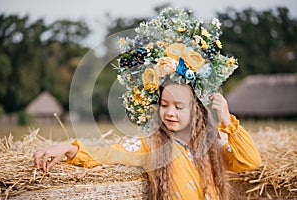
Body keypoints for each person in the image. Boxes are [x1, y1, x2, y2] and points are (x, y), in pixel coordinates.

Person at [33, 8, 262, 200]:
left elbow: (250, 160)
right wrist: (67, 148)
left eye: (179, 107)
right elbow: (106, 153)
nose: (170, 113)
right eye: (164, 105)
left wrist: (227, 122)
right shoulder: (150, 144)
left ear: (196, 109)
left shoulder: (212, 145)